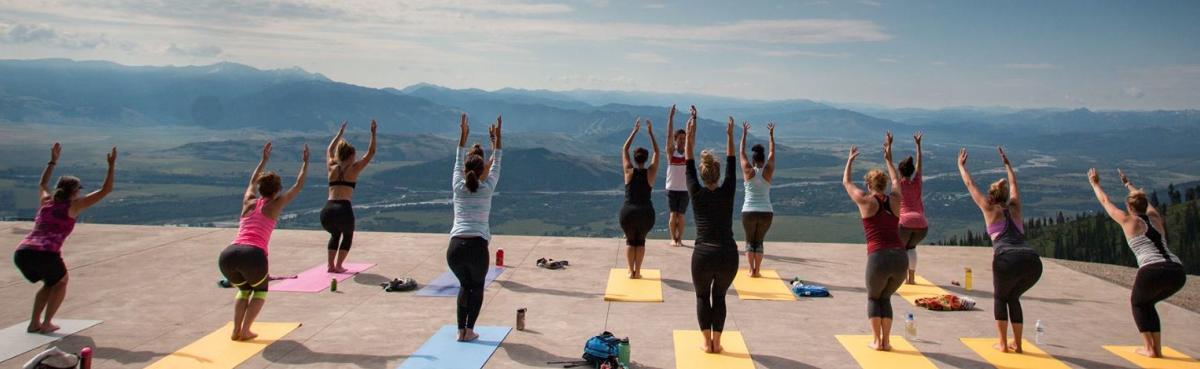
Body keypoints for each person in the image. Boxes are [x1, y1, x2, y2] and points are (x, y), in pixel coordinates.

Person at [14, 143, 116, 334]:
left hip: (22, 252)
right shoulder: (74, 206)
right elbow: (105, 190)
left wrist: (52, 161)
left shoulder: (46, 202)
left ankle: (34, 322)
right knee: (61, 282)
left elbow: (42, 184)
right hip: (45, 254)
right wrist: (111, 165)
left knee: (50, 282)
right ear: (75, 191)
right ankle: (46, 323)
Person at [1088, 168, 1186, 358]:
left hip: (1152, 269)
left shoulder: (1127, 221)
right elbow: (1145, 202)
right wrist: (1128, 184)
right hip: (1177, 271)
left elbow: (1105, 201)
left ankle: (1149, 349)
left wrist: (1095, 183)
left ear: (1130, 208)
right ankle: (1156, 348)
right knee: (1147, 304)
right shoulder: (1156, 218)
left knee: (1138, 304)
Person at [218, 141, 308, 341]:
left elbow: (251, 181)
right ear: (276, 191)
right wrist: (305, 163)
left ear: (261, 189)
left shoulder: (249, 200)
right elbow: (298, 186)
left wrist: (263, 160)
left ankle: (236, 330)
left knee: (243, 290)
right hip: (253, 254)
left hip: (228, 254)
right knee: (260, 291)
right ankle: (246, 330)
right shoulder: (276, 204)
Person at [957, 146, 1042, 353]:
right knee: (1013, 297)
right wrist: (1008, 166)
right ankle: (1018, 344)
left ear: (992, 196)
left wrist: (961, 166)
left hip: (1006, 259)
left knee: (1000, 298)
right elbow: (1014, 185)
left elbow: (970, 184)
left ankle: (1003, 344)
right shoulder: (1015, 207)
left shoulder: (988, 208)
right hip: (1032, 261)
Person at [842, 132, 906, 351]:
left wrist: (850, 160)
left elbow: (846, 182)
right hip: (900, 257)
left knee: (873, 298)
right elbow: (897, 181)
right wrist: (889, 159)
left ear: (869, 185)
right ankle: (887, 341)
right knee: (885, 298)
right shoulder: (896, 200)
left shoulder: (865, 201)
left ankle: (877, 341)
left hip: (878, 256)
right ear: (884, 185)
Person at [685, 107, 739, 354]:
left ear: (703, 174)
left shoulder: (696, 193)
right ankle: (718, 342)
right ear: (717, 175)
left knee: (701, 297)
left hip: (703, 254)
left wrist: (690, 133)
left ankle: (707, 343)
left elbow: (687, 161)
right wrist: (730, 135)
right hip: (728, 254)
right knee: (719, 297)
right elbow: (731, 162)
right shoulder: (728, 191)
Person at [448, 113, 503, 342]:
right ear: (483, 171)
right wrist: (497, 139)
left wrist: (463, 136)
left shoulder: (458, 186)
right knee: (477, 287)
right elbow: (497, 160)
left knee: (464, 287)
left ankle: (461, 330)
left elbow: (458, 159)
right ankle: (470, 330)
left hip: (455, 248)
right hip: (477, 246)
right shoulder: (487, 188)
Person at [322, 120, 377, 273]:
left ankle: (330, 265)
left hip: (327, 210)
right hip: (343, 209)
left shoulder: (331, 167)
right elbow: (371, 153)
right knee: (347, 236)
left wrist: (339, 134)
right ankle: (338, 265)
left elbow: (329, 149)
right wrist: (373, 134)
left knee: (335, 234)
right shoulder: (354, 168)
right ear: (351, 156)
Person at [619, 118, 660, 279]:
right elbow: (657, 153)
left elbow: (624, 149)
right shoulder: (650, 173)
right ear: (645, 158)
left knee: (630, 241)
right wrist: (650, 133)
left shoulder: (629, 172)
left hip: (628, 212)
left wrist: (634, 131)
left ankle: (630, 270)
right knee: (641, 241)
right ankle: (638, 271)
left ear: (635, 158)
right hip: (645, 212)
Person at [738, 121, 776, 278]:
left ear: (753, 161)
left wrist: (744, 133)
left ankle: (750, 270)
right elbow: (772, 152)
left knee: (749, 241)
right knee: (758, 242)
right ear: (763, 160)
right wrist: (771, 135)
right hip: (766, 212)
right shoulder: (768, 170)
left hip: (749, 211)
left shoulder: (748, 170)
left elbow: (741, 152)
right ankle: (757, 271)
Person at [897, 132, 927, 284]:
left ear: (900, 171)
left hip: (905, 222)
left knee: (901, 249)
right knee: (912, 248)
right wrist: (918, 146)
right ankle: (912, 278)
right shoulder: (917, 181)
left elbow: (889, 164)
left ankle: (900, 277)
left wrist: (888, 149)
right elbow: (919, 164)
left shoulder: (899, 184)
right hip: (922, 224)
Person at [664, 105, 690, 247]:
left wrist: (693, 119)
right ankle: (673, 239)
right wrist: (671, 117)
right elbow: (668, 136)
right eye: (680, 138)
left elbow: (693, 136)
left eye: (684, 138)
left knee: (681, 215)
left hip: (685, 189)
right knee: (673, 214)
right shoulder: (671, 153)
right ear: (675, 140)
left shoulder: (687, 154)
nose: (682, 140)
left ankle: (680, 239)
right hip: (672, 188)